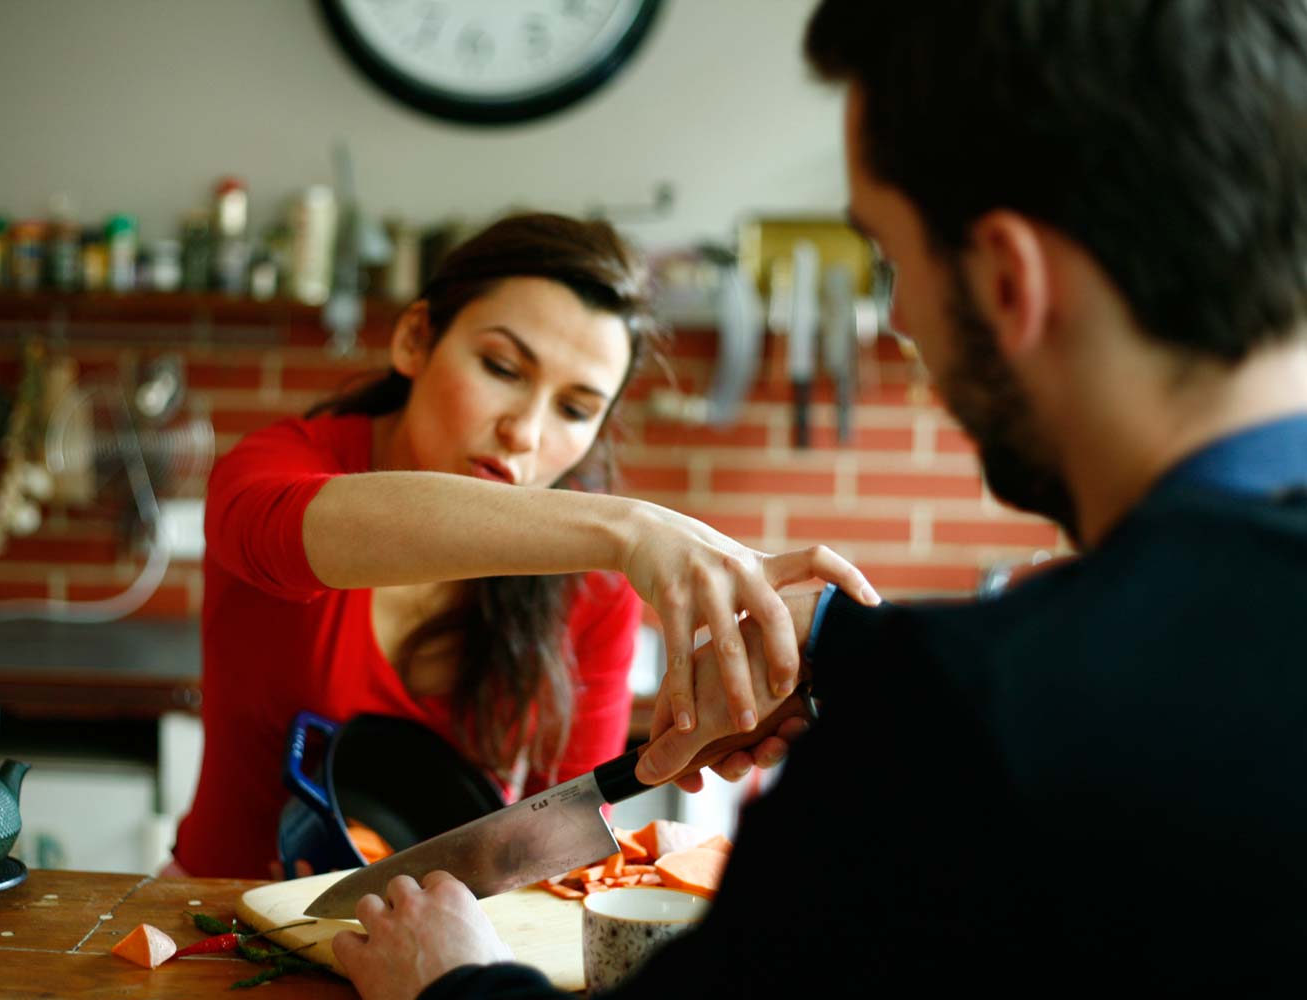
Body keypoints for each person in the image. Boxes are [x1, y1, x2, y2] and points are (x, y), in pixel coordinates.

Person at [330, 2, 1307, 996]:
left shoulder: (961, 721)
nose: (896, 318)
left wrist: (449, 982)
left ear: (1009, 282)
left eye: (891, 259)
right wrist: (837, 639)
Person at [169, 212, 873, 879]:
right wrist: (628, 529)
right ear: (416, 339)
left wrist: (700, 730)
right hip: (204, 928)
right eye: (503, 369)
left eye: (574, 409)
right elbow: (294, 541)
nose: (526, 433)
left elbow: (554, 844)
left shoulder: (591, 586)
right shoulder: (273, 469)